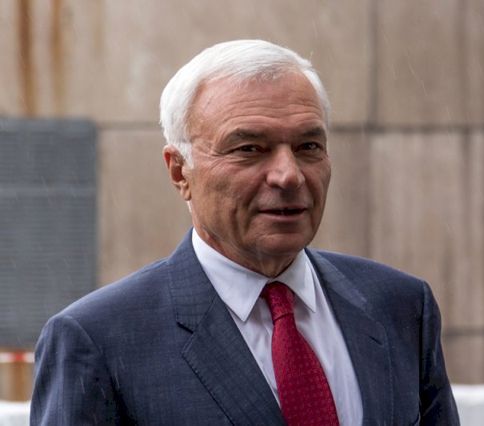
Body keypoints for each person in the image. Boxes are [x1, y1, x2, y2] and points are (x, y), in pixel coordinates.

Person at [30, 39, 459, 425]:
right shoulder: (99, 339)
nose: (289, 175)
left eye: (308, 146)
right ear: (180, 171)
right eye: (249, 149)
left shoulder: (401, 306)